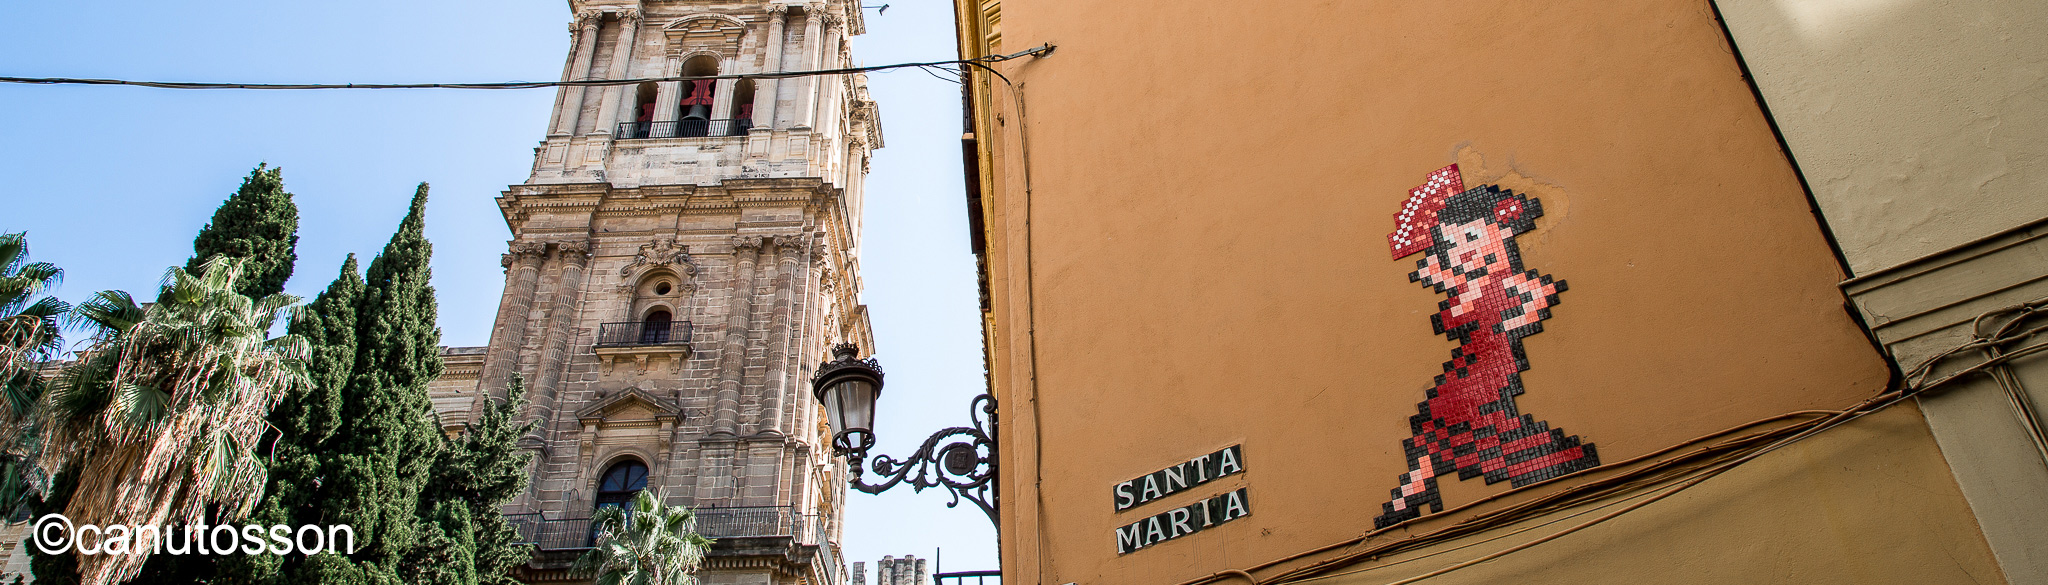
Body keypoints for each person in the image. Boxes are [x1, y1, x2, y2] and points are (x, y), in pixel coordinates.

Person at [1374, 164, 1600, 529]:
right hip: (1468, 380)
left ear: (1501, 231)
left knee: (1474, 443)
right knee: (1439, 438)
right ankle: (1409, 498)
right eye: (1451, 245)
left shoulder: (1508, 286)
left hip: (1488, 383)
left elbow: (1528, 306)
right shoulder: (1471, 293)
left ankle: (1409, 498)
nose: (1462, 251)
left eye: (1472, 238)